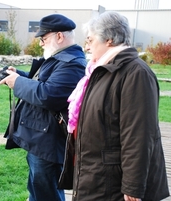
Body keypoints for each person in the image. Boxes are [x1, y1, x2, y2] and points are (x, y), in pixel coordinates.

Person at [60, 11, 170, 201]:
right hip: (96, 174)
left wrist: (133, 186)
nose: (86, 47)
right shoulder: (101, 70)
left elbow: (139, 134)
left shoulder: (135, 73)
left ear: (109, 39)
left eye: (90, 40)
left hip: (112, 183)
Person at [0, 14, 86, 201]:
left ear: (59, 36)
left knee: (46, 194)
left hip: (49, 141)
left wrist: (18, 82)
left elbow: (49, 95)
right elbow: (41, 82)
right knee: (37, 190)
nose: (41, 43)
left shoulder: (72, 64)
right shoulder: (60, 58)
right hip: (40, 137)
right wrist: (16, 75)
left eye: (44, 38)